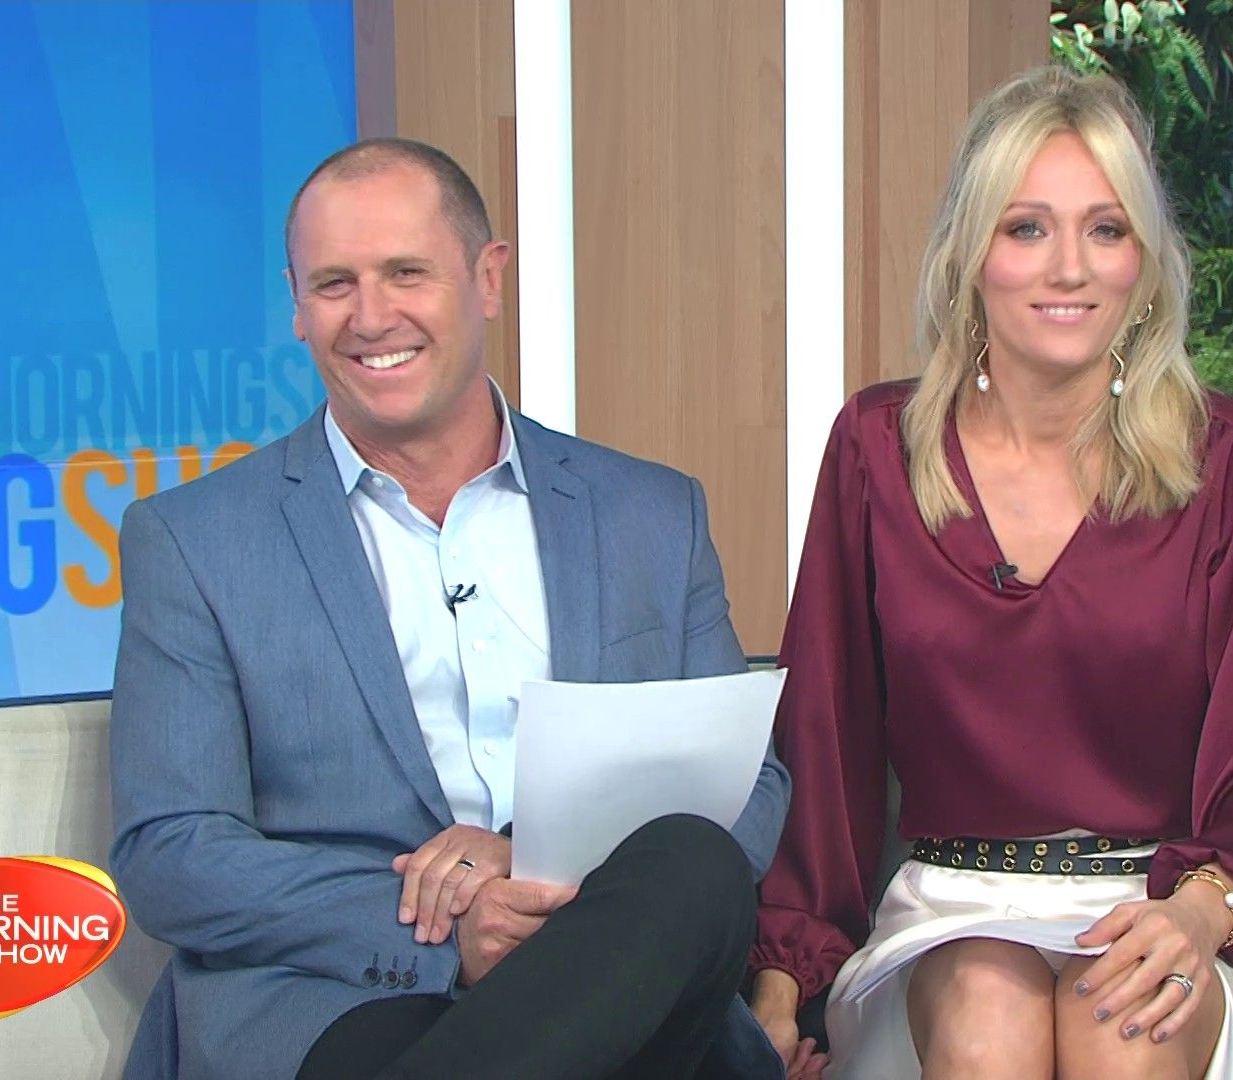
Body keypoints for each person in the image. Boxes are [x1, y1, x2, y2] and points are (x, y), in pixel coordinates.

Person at [108, 136, 791, 1080]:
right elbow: (172, 850)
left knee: (691, 859)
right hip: (344, 1000)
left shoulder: (650, 513)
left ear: (487, 278)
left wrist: (528, 869)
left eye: (406, 273)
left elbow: (749, 785)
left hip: (618, 966)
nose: (371, 316)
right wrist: (451, 923)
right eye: (334, 284)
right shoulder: (196, 540)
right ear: (296, 306)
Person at [747, 68, 1233, 1079]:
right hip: (950, 914)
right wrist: (778, 992)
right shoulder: (877, 448)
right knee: (988, 1011)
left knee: (1120, 1021)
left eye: (1106, 230)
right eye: (1027, 228)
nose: (1069, 268)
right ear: (969, 255)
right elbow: (824, 739)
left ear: (1143, 262)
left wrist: (1201, 912)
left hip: (1172, 908)